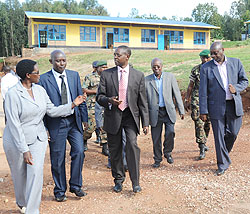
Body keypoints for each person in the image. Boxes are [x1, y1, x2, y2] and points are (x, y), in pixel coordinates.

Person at [3, 59, 86, 214]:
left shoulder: (40, 90)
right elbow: (14, 125)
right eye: (37, 72)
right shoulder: (13, 94)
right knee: (20, 176)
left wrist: (73, 104)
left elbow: (52, 110)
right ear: (28, 75)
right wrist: (24, 150)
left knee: (35, 173)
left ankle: (32, 210)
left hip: (38, 139)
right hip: (16, 140)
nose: (40, 75)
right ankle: (22, 202)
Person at [96, 45, 149, 193]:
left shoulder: (138, 75)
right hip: (113, 115)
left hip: (130, 116)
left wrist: (145, 122)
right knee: (115, 149)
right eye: (114, 55)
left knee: (132, 145)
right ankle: (118, 180)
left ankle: (135, 182)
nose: (115, 57)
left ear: (127, 56)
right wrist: (109, 100)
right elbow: (99, 97)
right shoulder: (107, 74)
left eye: (118, 55)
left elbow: (142, 101)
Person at [38, 50, 88, 202]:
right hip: (55, 123)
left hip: (74, 122)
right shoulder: (43, 79)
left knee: (79, 151)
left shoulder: (73, 75)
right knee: (58, 158)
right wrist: (45, 127)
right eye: (58, 61)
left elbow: (80, 97)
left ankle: (75, 185)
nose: (61, 64)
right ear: (51, 61)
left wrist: (84, 119)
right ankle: (60, 190)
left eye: (64, 61)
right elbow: (43, 107)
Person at [199, 42, 248, 176]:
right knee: (218, 136)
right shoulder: (206, 68)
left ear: (223, 50)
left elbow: (245, 81)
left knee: (233, 133)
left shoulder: (236, 63)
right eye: (212, 54)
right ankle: (222, 164)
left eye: (216, 53)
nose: (213, 56)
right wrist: (203, 110)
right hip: (215, 107)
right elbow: (202, 90)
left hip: (233, 105)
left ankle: (223, 154)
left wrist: (236, 89)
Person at [145, 58, 185, 168]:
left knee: (170, 133)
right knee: (156, 137)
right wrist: (145, 120)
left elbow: (177, 94)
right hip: (155, 113)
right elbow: (144, 100)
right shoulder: (147, 80)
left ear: (162, 67)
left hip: (168, 111)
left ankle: (168, 152)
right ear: (151, 67)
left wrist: (181, 110)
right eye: (154, 67)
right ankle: (157, 158)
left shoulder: (170, 77)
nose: (156, 69)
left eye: (158, 67)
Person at [184, 50, 211, 160]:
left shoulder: (214, 69)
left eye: (206, 57)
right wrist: (187, 98)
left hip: (211, 100)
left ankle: (204, 141)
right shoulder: (196, 70)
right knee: (199, 122)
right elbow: (191, 85)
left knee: (208, 123)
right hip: (197, 100)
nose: (204, 60)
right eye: (202, 57)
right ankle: (201, 146)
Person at [82, 60, 109, 155]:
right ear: (97, 68)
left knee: (104, 125)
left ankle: (105, 146)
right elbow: (84, 89)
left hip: (103, 105)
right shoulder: (89, 77)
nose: (105, 69)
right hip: (92, 105)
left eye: (106, 67)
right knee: (91, 127)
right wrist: (96, 92)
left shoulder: (107, 77)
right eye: (103, 67)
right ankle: (84, 139)